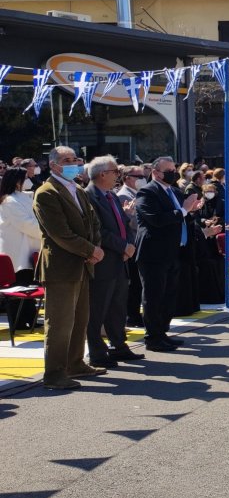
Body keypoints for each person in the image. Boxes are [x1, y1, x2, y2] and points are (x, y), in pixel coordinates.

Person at [32, 146, 105, 390]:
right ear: (53, 165)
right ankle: (54, 373)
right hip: (61, 267)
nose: (74, 163)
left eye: (75, 159)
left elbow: (93, 222)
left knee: (80, 318)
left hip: (82, 263)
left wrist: (95, 247)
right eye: (67, 160)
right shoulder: (46, 192)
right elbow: (59, 233)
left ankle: (75, 363)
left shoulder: (79, 190)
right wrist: (90, 250)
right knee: (60, 322)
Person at [135, 156, 201, 352]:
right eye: (168, 170)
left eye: (174, 168)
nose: (173, 172)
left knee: (169, 295)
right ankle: (153, 337)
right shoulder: (147, 192)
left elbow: (183, 216)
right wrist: (183, 210)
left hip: (174, 251)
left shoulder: (174, 191)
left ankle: (163, 332)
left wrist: (191, 211)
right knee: (154, 296)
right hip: (153, 252)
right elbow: (155, 219)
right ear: (156, 173)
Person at [83, 156, 142, 368]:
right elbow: (98, 230)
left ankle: (119, 346)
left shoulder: (111, 196)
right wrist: (122, 246)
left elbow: (123, 223)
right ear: (102, 174)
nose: (118, 174)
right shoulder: (89, 196)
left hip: (118, 259)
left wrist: (128, 245)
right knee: (98, 307)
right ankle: (97, 353)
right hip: (103, 259)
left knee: (117, 306)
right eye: (115, 171)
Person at [0, 168, 42, 334]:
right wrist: (47, 231)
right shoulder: (10, 200)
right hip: (17, 249)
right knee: (17, 286)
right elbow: (25, 224)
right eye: (25, 178)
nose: (28, 180)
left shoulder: (22, 197)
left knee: (28, 284)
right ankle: (17, 321)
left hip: (29, 246)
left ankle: (30, 319)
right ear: (17, 181)